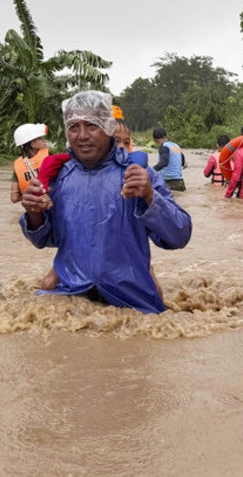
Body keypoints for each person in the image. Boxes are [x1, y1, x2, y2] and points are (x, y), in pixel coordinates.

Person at [20, 91, 192, 314]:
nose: (82, 135)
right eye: (74, 127)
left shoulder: (138, 175)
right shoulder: (58, 178)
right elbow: (44, 240)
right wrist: (34, 213)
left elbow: (179, 236)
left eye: (91, 125)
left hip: (131, 301)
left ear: (109, 127)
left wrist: (150, 196)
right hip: (70, 299)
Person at [10, 123, 49, 204]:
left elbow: (14, 198)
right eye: (40, 138)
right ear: (32, 144)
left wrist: (31, 196)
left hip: (34, 209)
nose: (43, 141)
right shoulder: (50, 157)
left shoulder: (19, 166)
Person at [152, 126, 186, 192]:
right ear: (167, 137)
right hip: (180, 181)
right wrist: (184, 164)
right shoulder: (175, 146)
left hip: (169, 183)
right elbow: (182, 161)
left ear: (154, 140)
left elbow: (164, 162)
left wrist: (151, 170)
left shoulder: (164, 147)